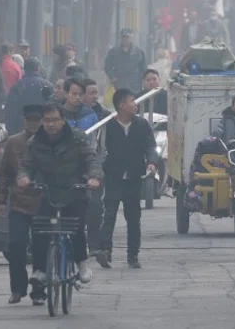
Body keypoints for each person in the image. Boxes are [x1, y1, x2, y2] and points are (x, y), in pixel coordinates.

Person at [17, 102, 102, 285]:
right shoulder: (35, 142)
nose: (51, 124)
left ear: (63, 121)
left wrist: (93, 178)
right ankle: (39, 269)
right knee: (40, 228)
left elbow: (91, 159)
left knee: (76, 227)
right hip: (48, 191)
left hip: (74, 190)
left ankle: (82, 262)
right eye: (47, 120)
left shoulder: (77, 139)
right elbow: (27, 165)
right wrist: (23, 178)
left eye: (55, 120)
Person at [96, 89, 160, 270]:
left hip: (134, 176)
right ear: (122, 105)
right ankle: (105, 250)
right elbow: (100, 150)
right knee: (109, 215)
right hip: (113, 177)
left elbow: (150, 147)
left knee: (133, 217)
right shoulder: (108, 125)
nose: (136, 104)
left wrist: (152, 163)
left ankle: (133, 255)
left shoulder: (142, 125)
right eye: (132, 101)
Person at [0, 103, 45, 305]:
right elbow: (4, 174)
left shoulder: (48, 143)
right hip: (19, 202)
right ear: (25, 121)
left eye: (37, 120)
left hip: (44, 202)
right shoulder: (14, 143)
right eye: (30, 120)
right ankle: (17, 289)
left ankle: (40, 292)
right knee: (16, 246)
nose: (33, 124)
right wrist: (0, 200)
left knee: (42, 248)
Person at [82, 78, 110, 261]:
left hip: (96, 165)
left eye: (95, 93)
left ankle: (93, 244)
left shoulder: (104, 115)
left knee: (95, 205)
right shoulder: (66, 115)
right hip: (73, 168)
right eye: (90, 93)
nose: (94, 96)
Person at [5, 57, 53, 136]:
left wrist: (11, 130)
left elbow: (10, 109)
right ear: (38, 68)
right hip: (44, 129)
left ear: (24, 69)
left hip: (22, 129)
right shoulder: (47, 85)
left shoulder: (17, 87)